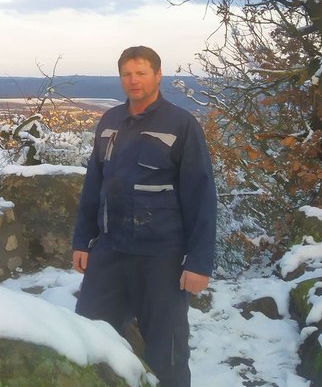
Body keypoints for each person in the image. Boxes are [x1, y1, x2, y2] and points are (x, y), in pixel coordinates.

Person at [71, 46, 216, 387]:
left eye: (141, 73)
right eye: (127, 74)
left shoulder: (181, 124)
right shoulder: (109, 123)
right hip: (110, 250)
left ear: (157, 75)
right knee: (89, 335)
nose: (133, 80)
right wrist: (82, 241)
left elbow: (201, 195)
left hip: (161, 256)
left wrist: (199, 262)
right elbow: (95, 186)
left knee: (167, 350)